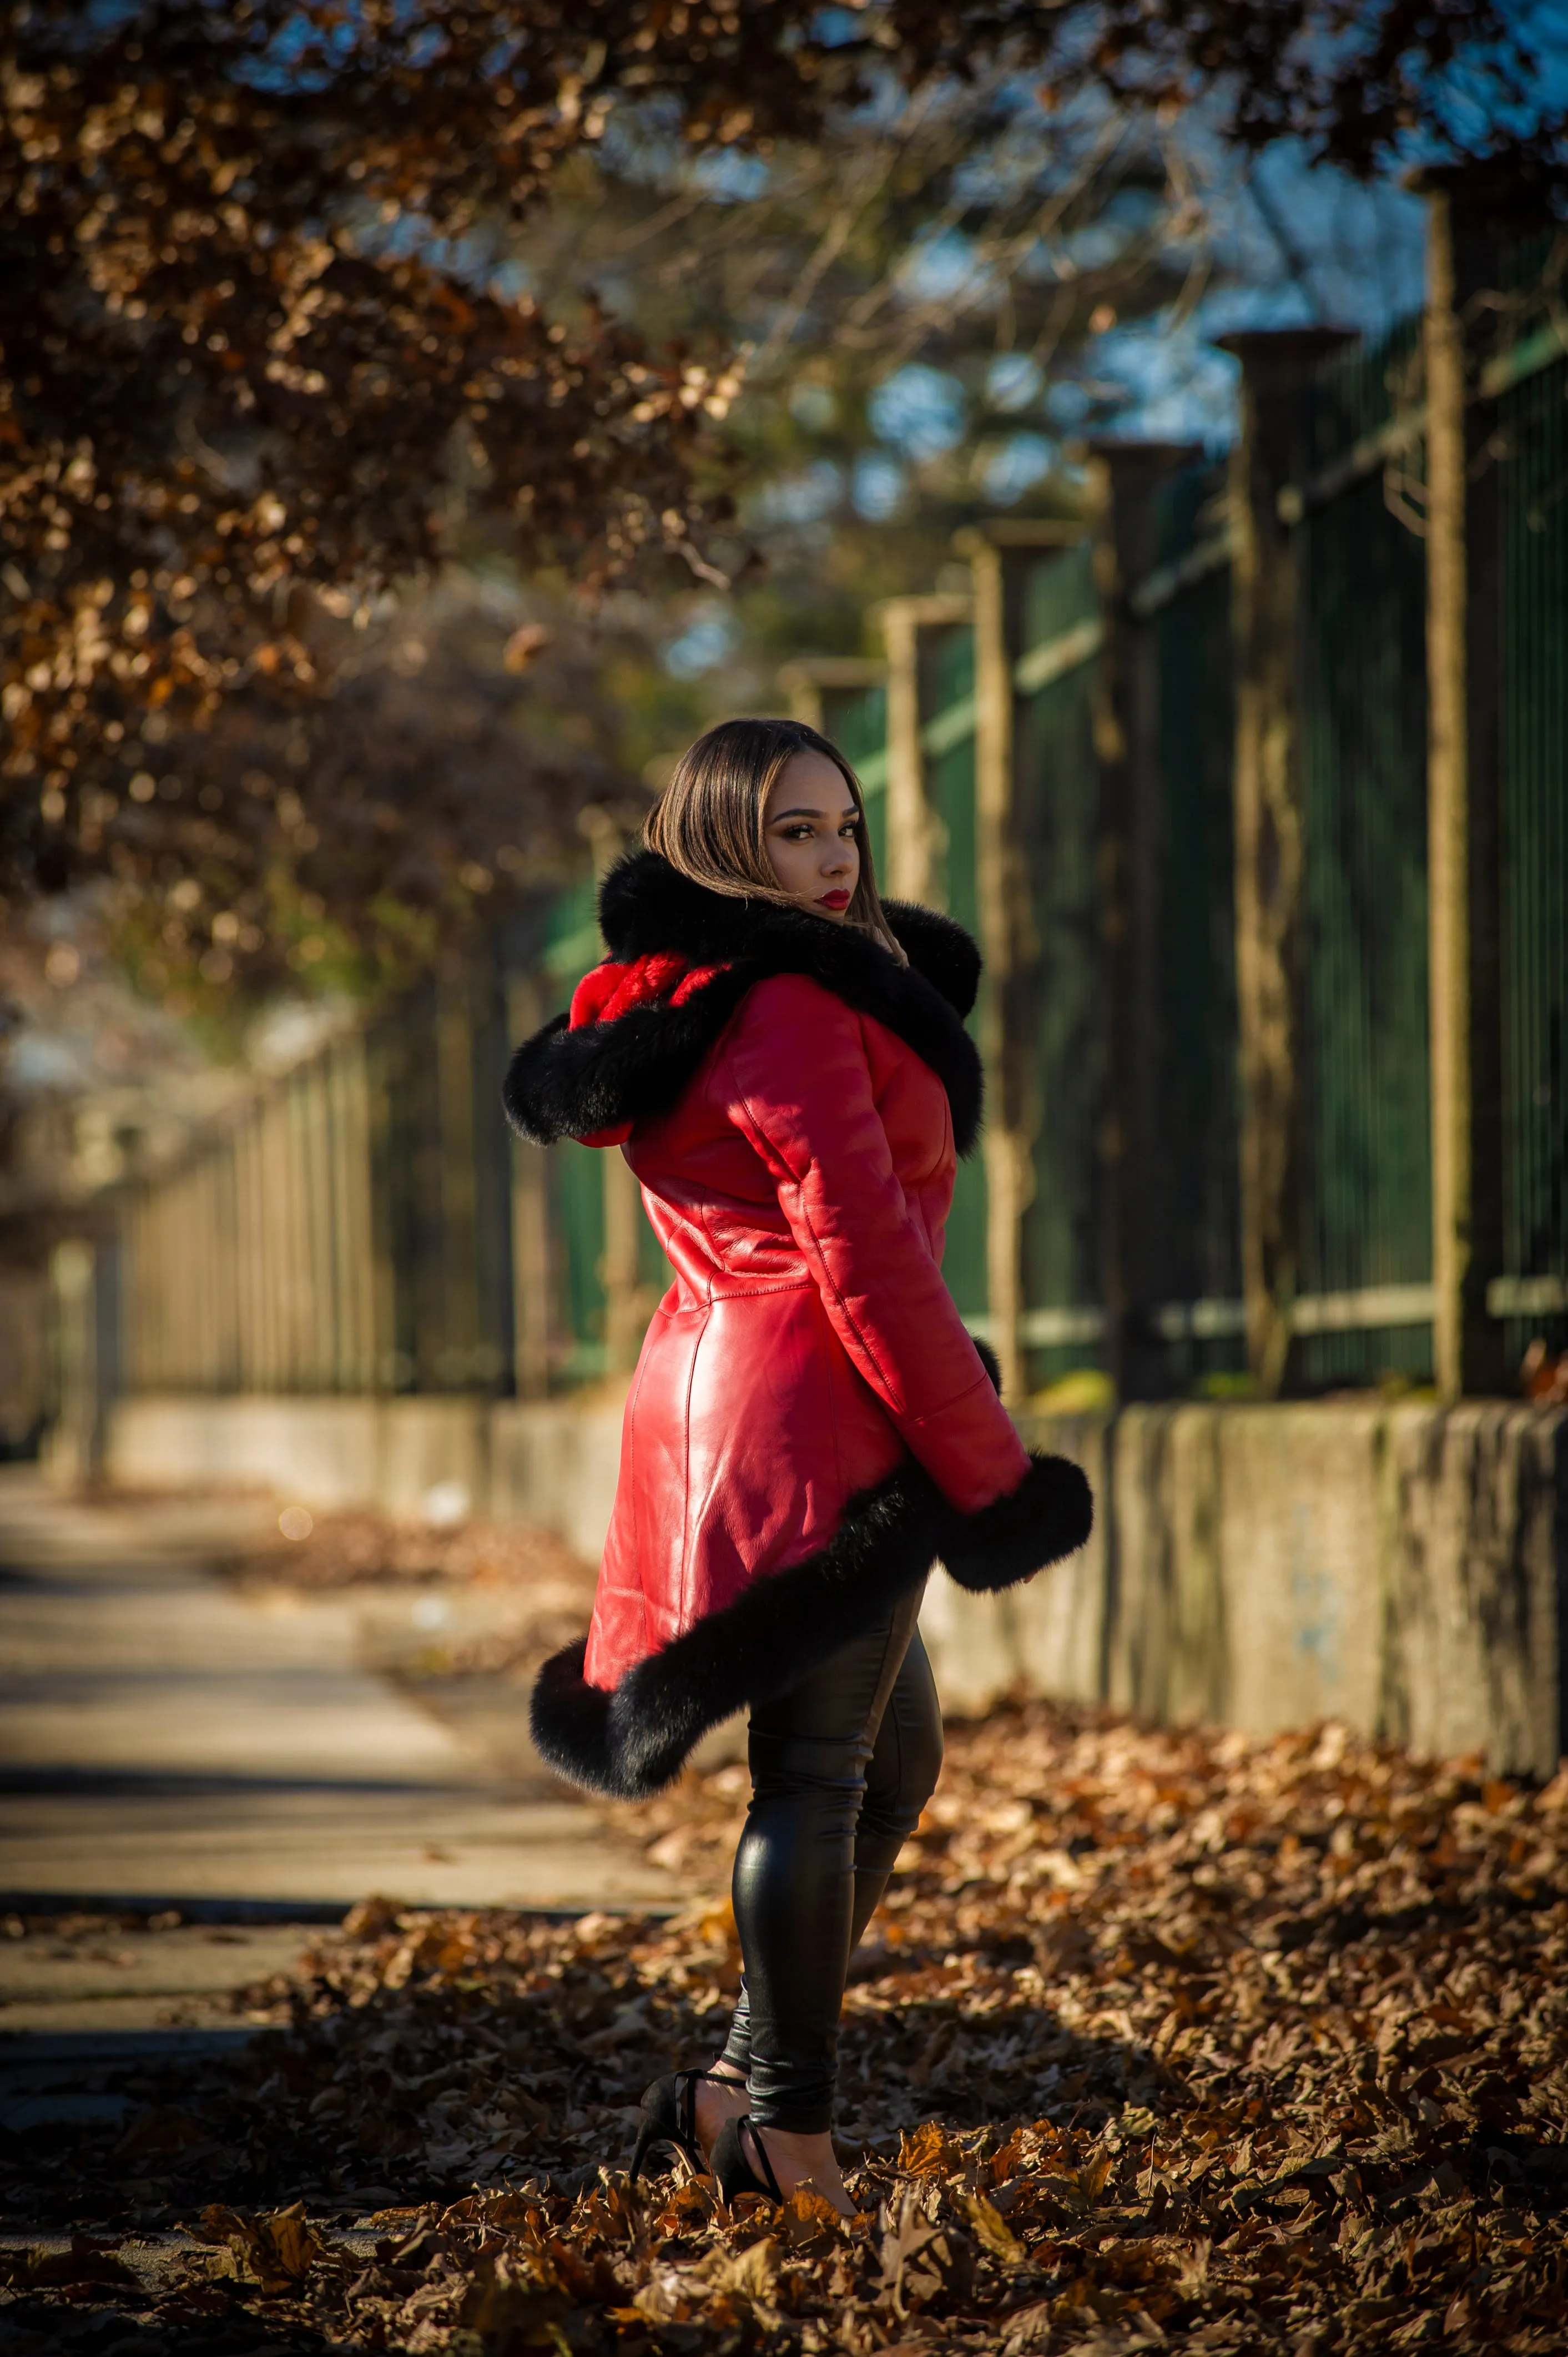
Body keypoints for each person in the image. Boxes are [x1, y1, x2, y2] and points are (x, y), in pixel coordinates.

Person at [505, 716, 1092, 2214]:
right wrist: (989, 1469)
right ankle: (789, 2129)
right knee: (822, 1773)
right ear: (719, 839)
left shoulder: (693, 999)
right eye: (792, 831)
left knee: (890, 1758)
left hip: (720, 1389)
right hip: (826, 1404)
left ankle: (726, 2092)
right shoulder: (792, 1007)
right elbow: (866, 1252)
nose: (833, 860)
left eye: (845, 827)